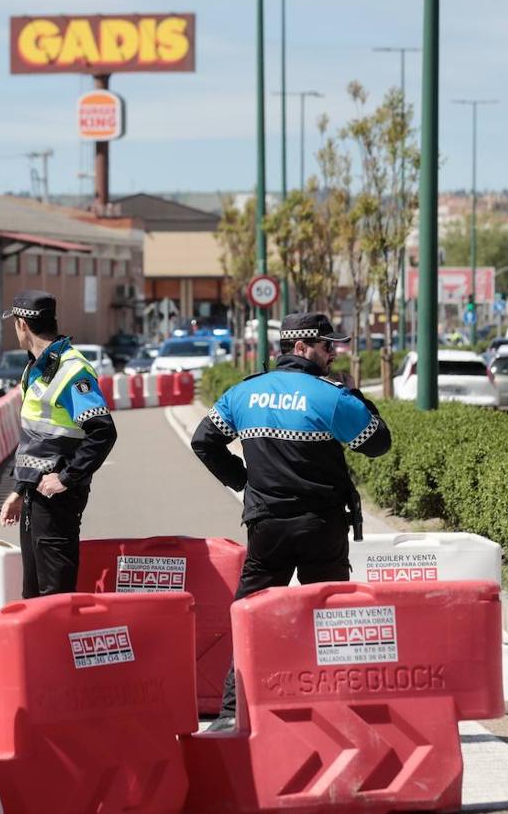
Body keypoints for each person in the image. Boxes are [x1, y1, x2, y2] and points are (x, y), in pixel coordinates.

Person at [190, 312, 392, 730]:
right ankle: (341, 710)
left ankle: (232, 713)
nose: (332, 353)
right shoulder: (330, 396)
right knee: (332, 621)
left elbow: (203, 441)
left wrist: (241, 480)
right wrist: (356, 398)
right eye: (326, 345)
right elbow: (378, 444)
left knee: (250, 618)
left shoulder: (245, 393)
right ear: (301, 348)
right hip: (320, 527)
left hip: (267, 528)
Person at [0, 290, 118, 597]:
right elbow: (36, 439)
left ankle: (58, 645)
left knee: (55, 592)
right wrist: (19, 489)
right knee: (35, 591)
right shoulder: (37, 367)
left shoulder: (71, 369)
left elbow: (102, 430)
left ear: (23, 325)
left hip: (57, 498)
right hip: (35, 494)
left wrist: (67, 478)